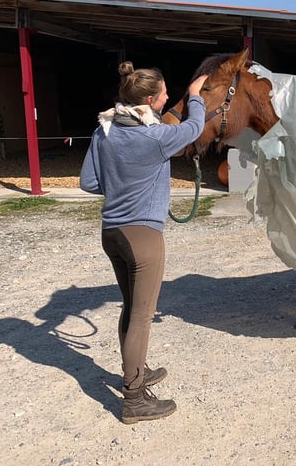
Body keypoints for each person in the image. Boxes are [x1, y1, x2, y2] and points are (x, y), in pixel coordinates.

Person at [80, 61, 207, 424]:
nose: (170, 98)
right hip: (143, 236)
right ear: (151, 100)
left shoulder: (103, 132)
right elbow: (194, 128)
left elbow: (89, 183)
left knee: (130, 306)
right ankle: (134, 399)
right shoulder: (155, 138)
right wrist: (195, 96)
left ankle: (136, 371)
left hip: (112, 233)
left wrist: (120, 185)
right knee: (141, 316)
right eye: (166, 94)